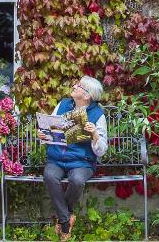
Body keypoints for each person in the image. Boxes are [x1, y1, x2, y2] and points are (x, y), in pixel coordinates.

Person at [39, 76, 108, 241]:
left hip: (81, 162)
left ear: (87, 96)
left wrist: (95, 135)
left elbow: (101, 151)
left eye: (79, 86)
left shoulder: (97, 114)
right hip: (56, 158)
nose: (74, 86)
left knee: (77, 180)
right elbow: (50, 129)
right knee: (49, 176)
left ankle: (63, 218)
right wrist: (43, 134)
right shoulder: (63, 105)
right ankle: (65, 221)